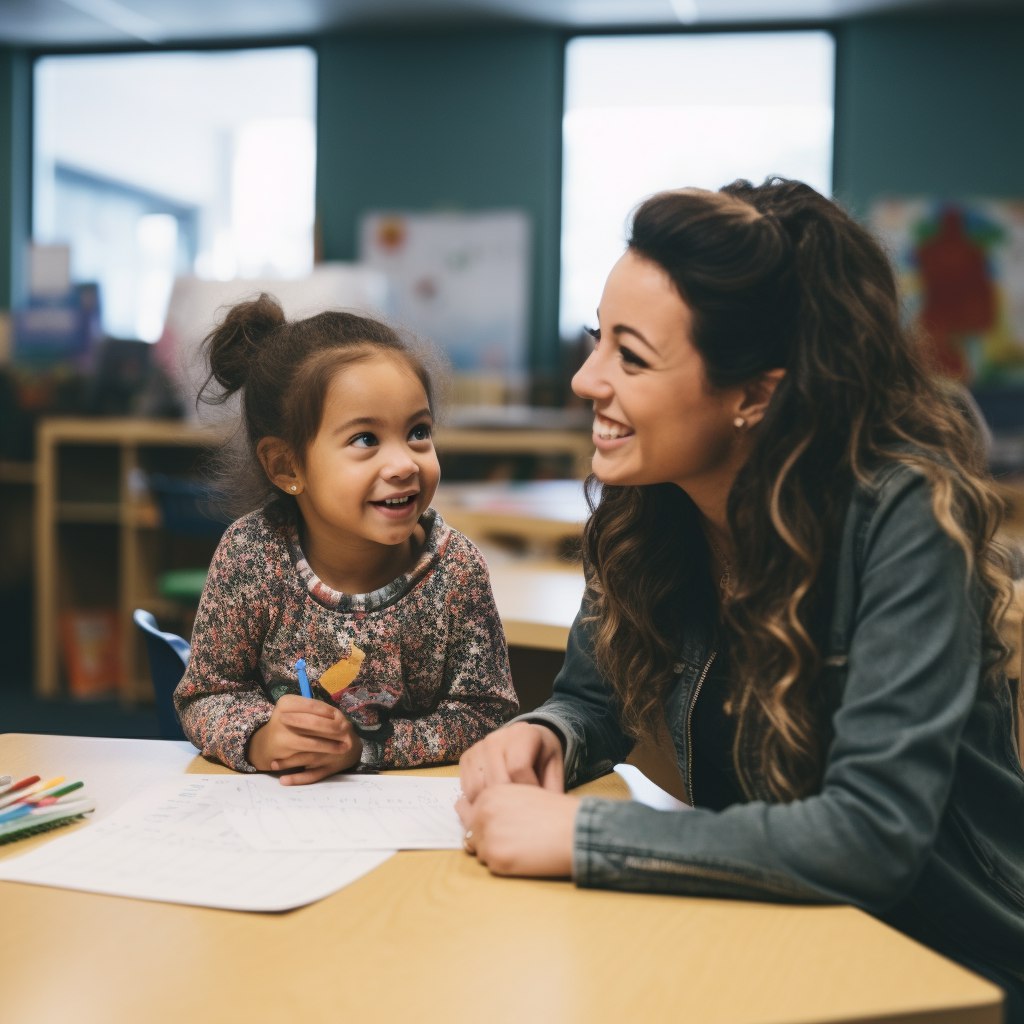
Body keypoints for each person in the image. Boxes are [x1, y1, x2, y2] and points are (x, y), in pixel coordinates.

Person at [456, 177, 1024, 1016]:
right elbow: (591, 698)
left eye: (631, 356)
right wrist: (546, 734)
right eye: (595, 339)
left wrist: (581, 835)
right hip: (772, 940)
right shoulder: (655, 497)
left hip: (948, 973)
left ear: (756, 393)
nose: (585, 379)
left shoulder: (904, 514)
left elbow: (871, 838)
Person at [174, 294, 517, 784]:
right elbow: (206, 694)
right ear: (286, 466)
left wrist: (366, 748)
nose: (404, 464)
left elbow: (487, 716)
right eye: (365, 440)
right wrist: (260, 737)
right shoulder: (253, 555)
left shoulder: (454, 570)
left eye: (418, 431)